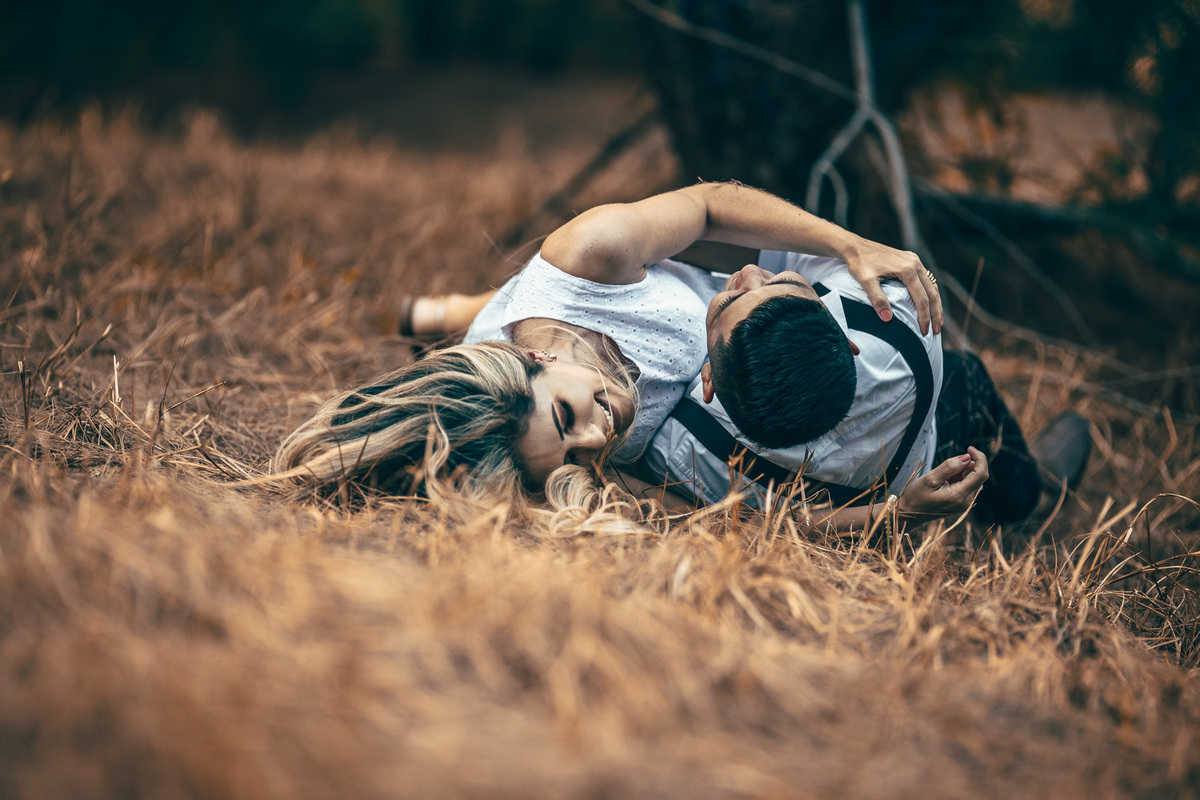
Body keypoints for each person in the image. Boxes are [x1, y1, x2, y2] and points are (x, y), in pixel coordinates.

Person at [276, 182, 994, 529]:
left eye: (567, 415)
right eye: (574, 454)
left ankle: (457, 309)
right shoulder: (564, 460)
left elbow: (711, 204)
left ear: (529, 365)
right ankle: (461, 312)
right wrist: (893, 513)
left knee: (535, 287)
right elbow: (744, 523)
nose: (600, 437)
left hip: (703, 277)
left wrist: (847, 245)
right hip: (732, 348)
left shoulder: (587, 258)